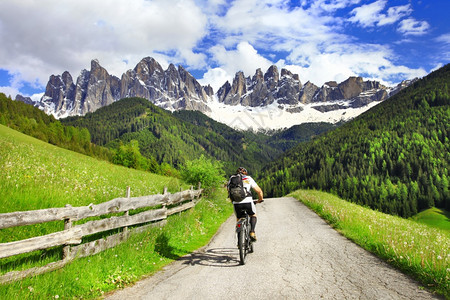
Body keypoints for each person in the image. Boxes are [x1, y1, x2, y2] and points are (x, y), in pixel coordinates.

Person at [227, 167, 263, 241]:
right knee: (253, 215)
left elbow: (229, 190)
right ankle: (252, 232)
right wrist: (260, 199)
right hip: (248, 201)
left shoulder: (232, 178)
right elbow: (259, 191)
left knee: (238, 219)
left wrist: (233, 200)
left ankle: (239, 242)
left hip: (236, 203)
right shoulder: (248, 178)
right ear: (245, 173)